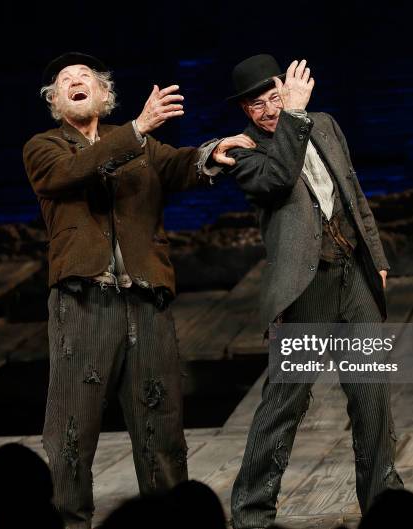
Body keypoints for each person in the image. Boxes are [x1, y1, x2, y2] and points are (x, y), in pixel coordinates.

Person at [23, 51, 254, 529]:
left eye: (86, 76)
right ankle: (69, 521)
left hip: (145, 300)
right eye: (66, 80)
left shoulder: (141, 144)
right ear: (54, 100)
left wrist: (213, 152)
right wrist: (137, 129)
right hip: (83, 301)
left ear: (104, 96)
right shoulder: (43, 146)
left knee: (161, 419)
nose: (76, 81)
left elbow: (181, 165)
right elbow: (71, 173)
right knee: (72, 424)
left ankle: (173, 520)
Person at [223, 54, 404, 529]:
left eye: (274, 96)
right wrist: (294, 116)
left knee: (371, 394)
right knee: (286, 401)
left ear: (286, 88)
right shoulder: (246, 152)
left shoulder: (325, 124)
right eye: (256, 104)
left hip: (354, 274)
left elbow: (353, 193)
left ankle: (384, 503)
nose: (267, 108)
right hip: (307, 285)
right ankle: (252, 512)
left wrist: (378, 261)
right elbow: (279, 179)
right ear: (245, 111)